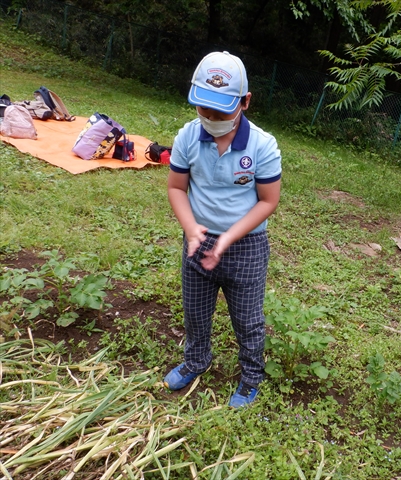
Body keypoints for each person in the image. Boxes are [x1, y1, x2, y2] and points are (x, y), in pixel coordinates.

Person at [163, 51, 282, 408]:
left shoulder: (262, 146)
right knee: (195, 312)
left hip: (246, 247)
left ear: (245, 101)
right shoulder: (187, 136)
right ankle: (196, 360)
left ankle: (250, 376)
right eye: (204, 110)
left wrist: (229, 237)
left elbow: (268, 201)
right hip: (197, 241)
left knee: (247, 320)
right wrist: (192, 229)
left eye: (222, 112)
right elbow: (175, 188)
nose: (212, 119)